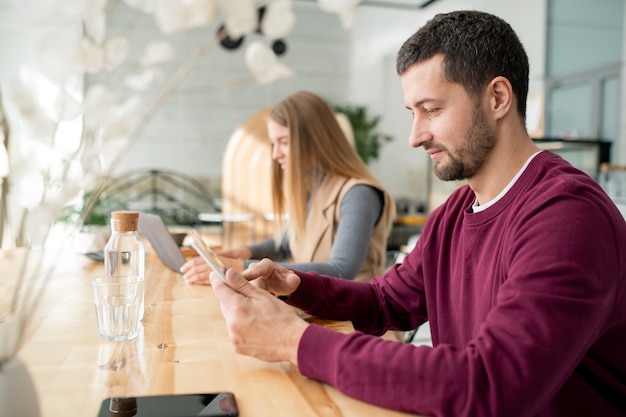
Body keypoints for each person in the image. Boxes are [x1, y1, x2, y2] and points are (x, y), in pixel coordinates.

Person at [207, 10, 626, 417]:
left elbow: (492, 385)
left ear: (498, 98)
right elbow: (386, 300)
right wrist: (296, 285)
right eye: (412, 113)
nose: (415, 136)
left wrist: (293, 341)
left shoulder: (568, 216)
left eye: (432, 110)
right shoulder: (454, 213)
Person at [181, 90, 395, 283]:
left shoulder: (359, 194)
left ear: (315, 140)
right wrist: (244, 252)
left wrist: (243, 267)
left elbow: (341, 272)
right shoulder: (311, 188)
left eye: (284, 142)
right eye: (274, 143)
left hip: (356, 322)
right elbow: (284, 245)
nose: (275, 154)